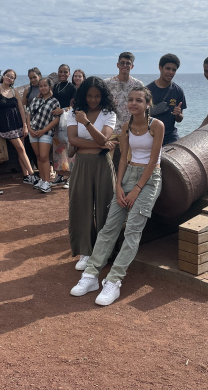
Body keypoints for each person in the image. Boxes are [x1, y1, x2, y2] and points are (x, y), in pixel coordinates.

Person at [70, 86, 164, 306]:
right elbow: (122, 158)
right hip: (128, 174)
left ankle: (114, 280)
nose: (134, 103)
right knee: (109, 227)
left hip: (149, 179)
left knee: (132, 229)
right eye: (131, 100)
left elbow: (153, 160)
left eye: (139, 100)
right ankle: (91, 275)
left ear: (147, 104)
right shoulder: (125, 127)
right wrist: (119, 187)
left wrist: (137, 189)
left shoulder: (156, 126)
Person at [66, 76, 118, 271]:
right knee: (82, 206)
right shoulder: (73, 113)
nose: (93, 99)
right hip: (81, 164)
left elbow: (103, 137)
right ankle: (85, 251)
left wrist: (87, 123)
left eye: (97, 96)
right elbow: (73, 140)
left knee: (105, 206)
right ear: (83, 95)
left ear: (102, 96)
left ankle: (104, 251)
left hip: (102, 164)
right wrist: (100, 143)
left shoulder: (108, 113)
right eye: (89, 95)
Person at [0, 69, 36, 184]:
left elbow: (21, 109)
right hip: (5, 124)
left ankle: (26, 175)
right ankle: (32, 175)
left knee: (21, 150)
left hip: (17, 122)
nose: (9, 78)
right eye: (8, 75)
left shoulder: (14, 92)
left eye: (12, 77)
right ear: (3, 76)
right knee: (21, 149)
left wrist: (24, 125)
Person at [104, 52, 144, 167]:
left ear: (132, 66)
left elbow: (142, 107)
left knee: (128, 160)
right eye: (122, 63)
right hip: (110, 127)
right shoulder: (107, 83)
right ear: (117, 65)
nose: (125, 66)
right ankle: (106, 183)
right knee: (105, 159)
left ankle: (126, 184)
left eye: (128, 63)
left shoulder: (137, 84)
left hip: (128, 128)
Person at [26, 77, 61, 193]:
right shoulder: (36, 100)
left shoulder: (55, 101)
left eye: (45, 85)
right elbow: (29, 115)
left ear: (50, 86)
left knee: (45, 156)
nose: (43, 88)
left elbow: (56, 120)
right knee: (39, 157)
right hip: (34, 131)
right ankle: (41, 178)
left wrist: (43, 130)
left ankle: (47, 181)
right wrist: (29, 129)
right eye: (41, 86)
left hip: (46, 132)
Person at [146, 53, 186, 145]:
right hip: (151, 136)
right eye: (167, 68)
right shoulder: (148, 91)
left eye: (174, 70)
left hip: (170, 137)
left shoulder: (178, 91)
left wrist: (178, 114)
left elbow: (179, 119)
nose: (170, 72)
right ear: (160, 68)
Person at [51, 64, 77, 187]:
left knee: (68, 148)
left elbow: (75, 106)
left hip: (68, 120)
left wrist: (62, 110)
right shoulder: (56, 86)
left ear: (69, 73)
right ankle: (59, 175)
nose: (62, 74)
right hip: (56, 121)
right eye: (60, 72)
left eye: (65, 72)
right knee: (58, 149)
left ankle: (71, 177)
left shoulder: (72, 87)